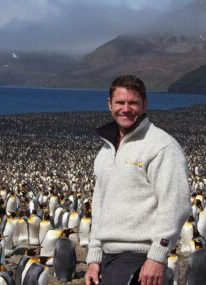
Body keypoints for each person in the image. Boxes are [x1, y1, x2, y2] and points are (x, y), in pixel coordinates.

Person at [84, 75, 191, 285]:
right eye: (120, 102)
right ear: (109, 105)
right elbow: (100, 207)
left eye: (133, 102)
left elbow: (175, 203)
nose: (126, 108)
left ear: (144, 105)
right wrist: (94, 258)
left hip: (138, 258)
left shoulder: (162, 146)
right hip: (109, 258)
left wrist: (156, 256)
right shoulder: (106, 151)